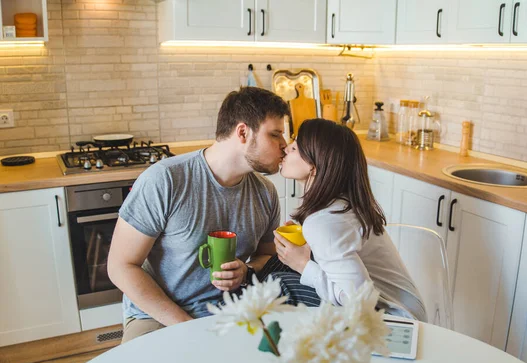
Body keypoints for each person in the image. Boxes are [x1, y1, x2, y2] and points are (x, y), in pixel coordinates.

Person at [107, 87, 289, 342]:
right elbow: (120, 266)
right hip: (159, 316)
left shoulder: (265, 193)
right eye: (276, 134)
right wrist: (186, 326)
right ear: (243, 133)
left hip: (230, 311)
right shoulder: (166, 180)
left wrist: (246, 270)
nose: (285, 146)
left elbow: (266, 256)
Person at [258, 119, 427, 321]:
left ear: (314, 165)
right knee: (280, 265)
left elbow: (360, 302)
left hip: (393, 321)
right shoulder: (339, 205)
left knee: (278, 283)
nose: (286, 148)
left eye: (295, 147)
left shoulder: (325, 221)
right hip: (402, 310)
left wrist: (304, 264)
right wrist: (307, 250)